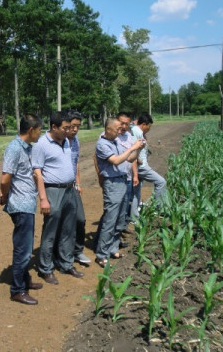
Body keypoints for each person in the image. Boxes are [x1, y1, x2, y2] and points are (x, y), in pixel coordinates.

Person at [33, 111, 83, 285]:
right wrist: (43, 199)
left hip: (69, 190)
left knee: (69, 230)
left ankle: (66, 263)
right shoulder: (41, 144)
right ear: (54, 127)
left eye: (69, 127)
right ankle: (46, 268)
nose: (68, 131)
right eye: (65, 128)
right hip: (53, 191)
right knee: (50, 231)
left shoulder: (67, 142)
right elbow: (37, 172)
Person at [0, 114, 44, 305]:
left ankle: (24, 280)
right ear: (31, 130)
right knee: (23, 249)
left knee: (25, 246)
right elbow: (4, 179)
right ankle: (17, 290)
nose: (40, 134)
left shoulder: (27, 148)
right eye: (39, 130)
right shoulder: (14, 148)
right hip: (20, 204)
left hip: (27, 203)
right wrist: (5, 195)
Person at [94, 118, 144, 267]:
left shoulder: (115, 142)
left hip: (123, 181)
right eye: (117, 129)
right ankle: (101, 254)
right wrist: (132, 146)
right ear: (108, 129)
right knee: (110, 220)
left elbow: (129, 158)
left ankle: (113, 248)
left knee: (120, 219)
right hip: (113, 183)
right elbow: (116, 161)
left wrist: (138, 149)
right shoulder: (102, 144)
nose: (120, 131)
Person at [66, 110, 91, 265]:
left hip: (73, 185)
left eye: (78, 126)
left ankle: (77, 251)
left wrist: (79, 183)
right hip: (58, 187)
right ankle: (61, 253)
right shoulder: (58, 141)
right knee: (62, 222)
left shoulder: (76, 141)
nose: (75, 129)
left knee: (80, 219)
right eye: (73, 126)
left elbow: (75, 163)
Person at [131, 113, 168, 211]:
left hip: (139, 166)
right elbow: (133, 147)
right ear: (144, 124)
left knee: (136, 189)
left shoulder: (137, 131)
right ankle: (159, 208)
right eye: (149, 126)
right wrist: (138, 159)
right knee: (161, 182)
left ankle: (134, 211)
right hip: (141, 167)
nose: (149, 129)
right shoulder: (136, 131)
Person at [115, 112, 139, 236]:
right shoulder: (112, 136)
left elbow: (132, 157)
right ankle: (115, 232)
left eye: (126, 123)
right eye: (121, 123)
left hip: (128, 176)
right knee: (116, 205)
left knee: (126, 202)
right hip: (116, 177)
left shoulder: (129, 136)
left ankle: (123, 226)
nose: (124, 126)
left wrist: (135, 175)